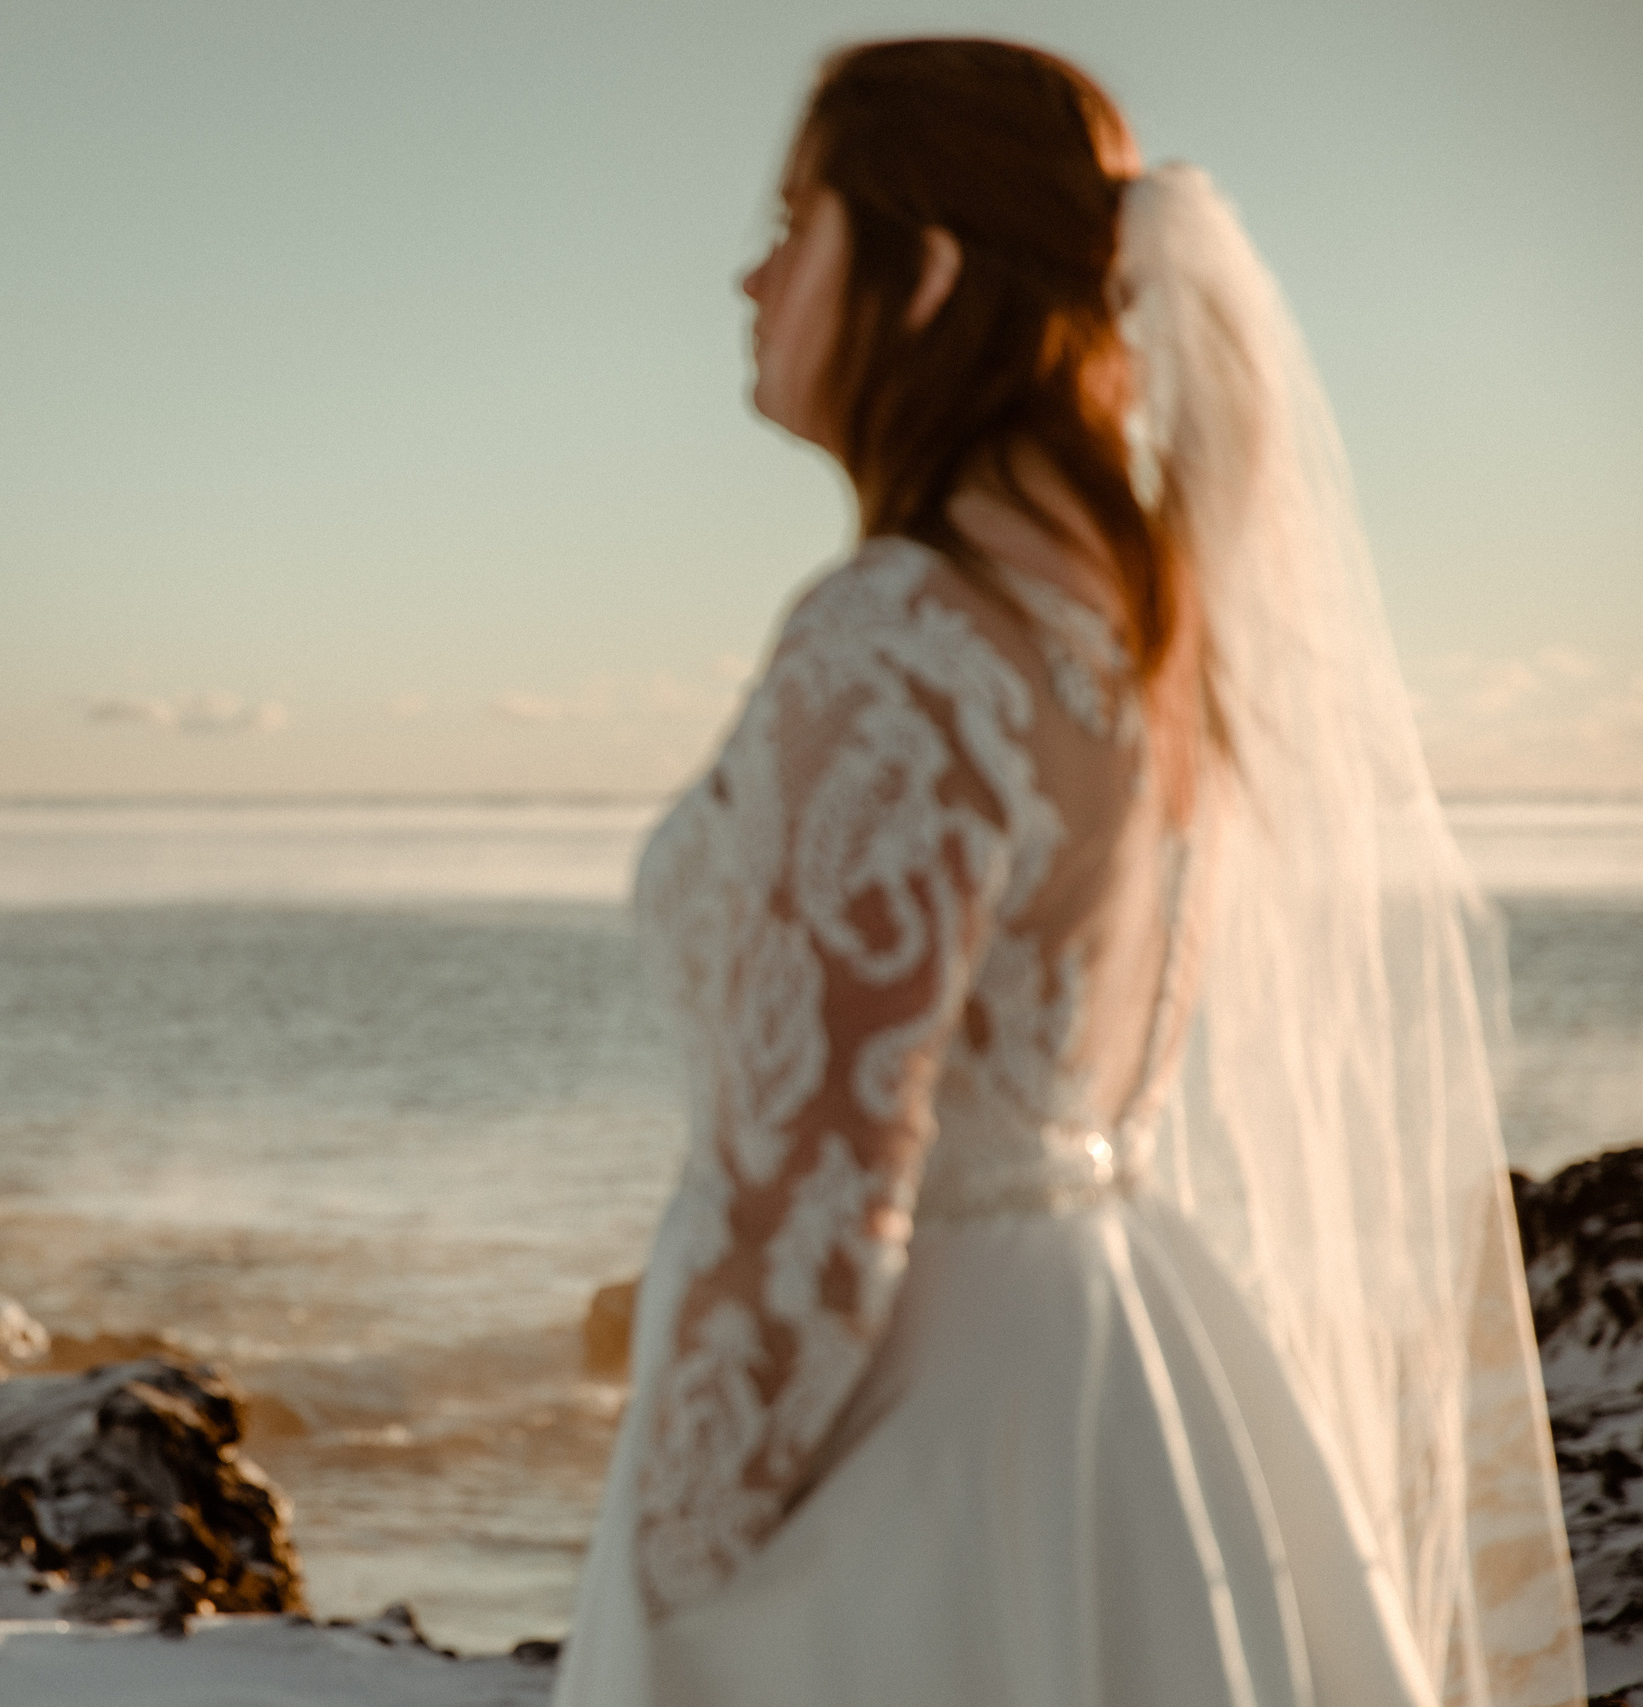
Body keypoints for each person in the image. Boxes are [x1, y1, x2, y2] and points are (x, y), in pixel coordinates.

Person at [554, 38, 1582, 1707]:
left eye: (792, 215)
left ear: (928, 263)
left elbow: (817, 1197)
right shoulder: (1131, 630)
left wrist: (678, 1577)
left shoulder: (891, 633)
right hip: (1121, 1359)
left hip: (923, 1435)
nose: (749, 273)